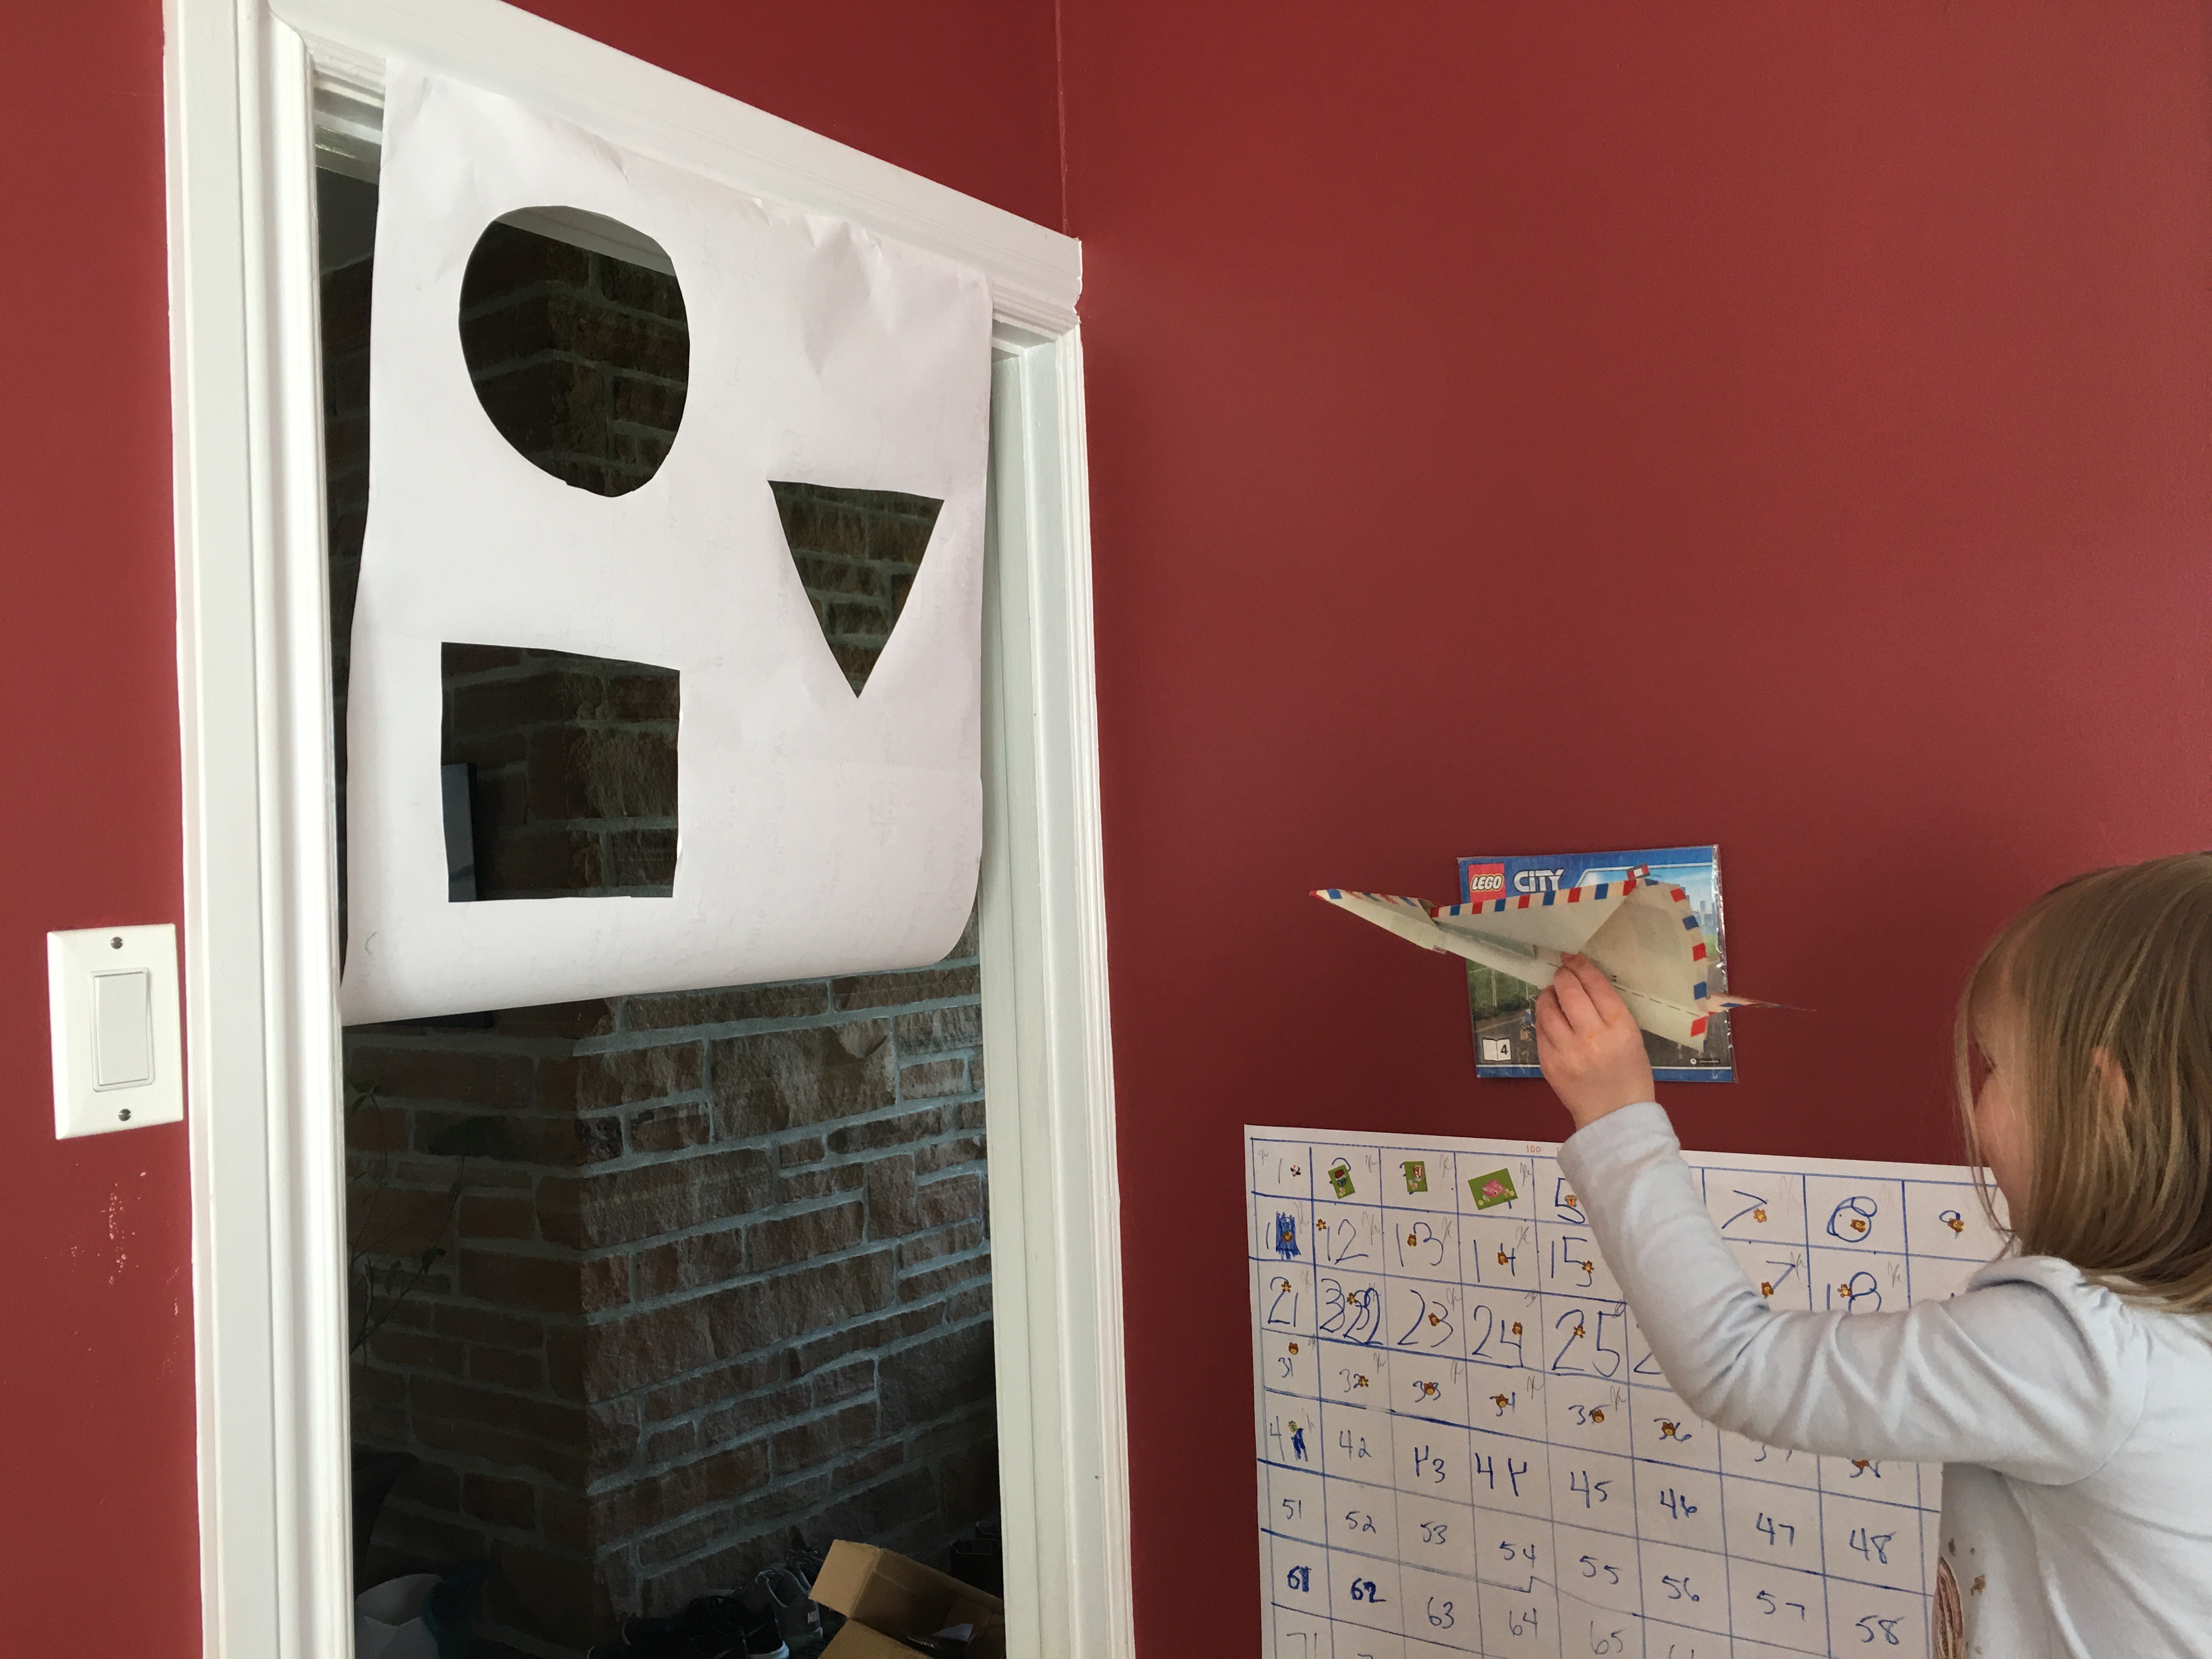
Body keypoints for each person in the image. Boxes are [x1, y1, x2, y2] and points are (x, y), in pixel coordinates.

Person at [1536, 853, 2212, 1659]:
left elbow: (1733, 1362)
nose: (1977, 1092)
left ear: (2105, 1103)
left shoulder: (2083, 1356)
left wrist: (1614, 1115)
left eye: (1992, 1066)